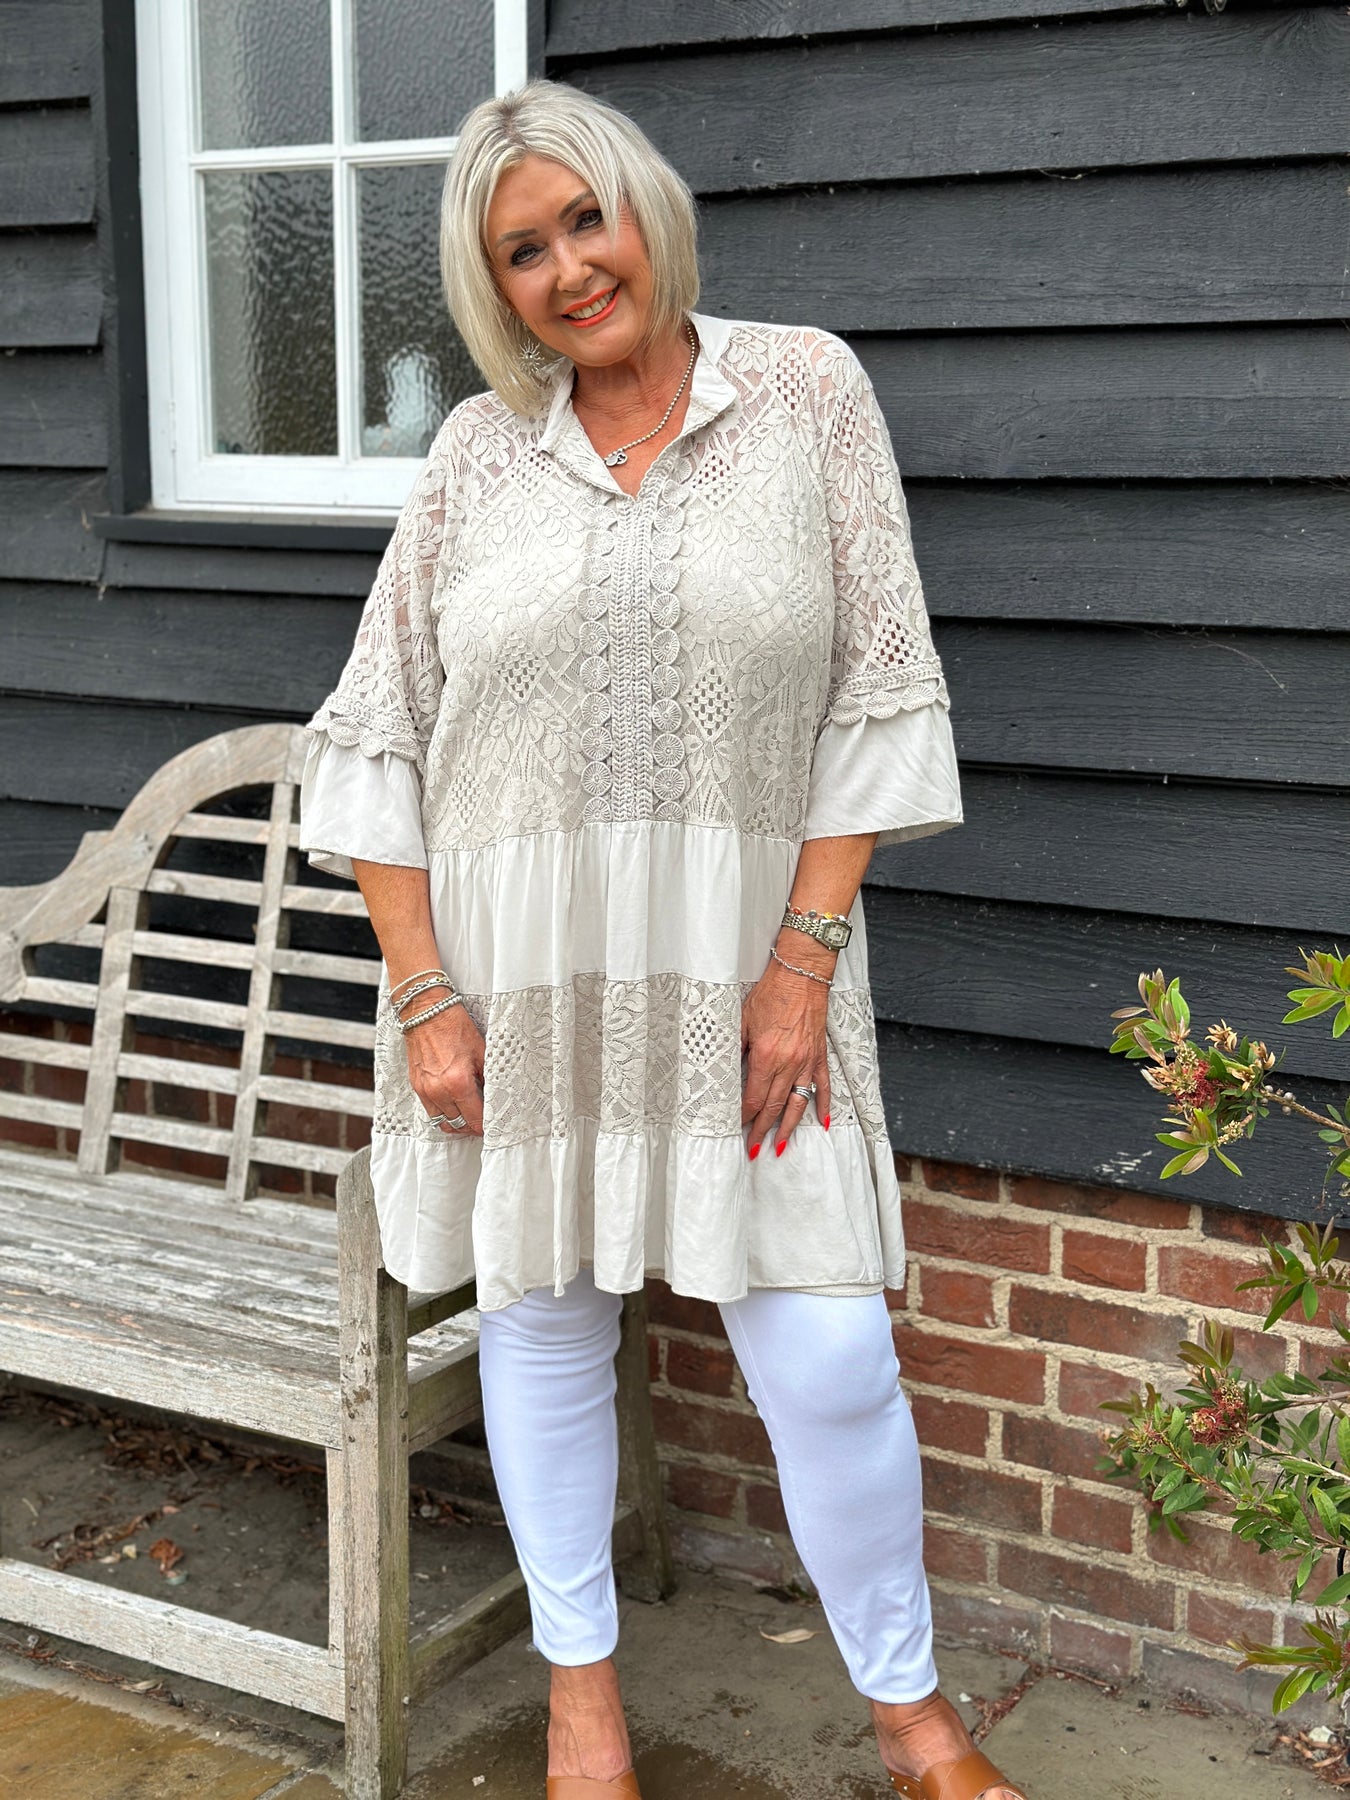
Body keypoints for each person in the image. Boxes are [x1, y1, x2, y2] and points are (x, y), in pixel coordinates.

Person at [298, 76, 1026, 1800]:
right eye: (521, 252)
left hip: (753, 971)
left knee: (827, 1352)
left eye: (585, 221)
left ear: (647, 213)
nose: (567, 270)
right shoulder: (476, 455)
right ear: (493, 287)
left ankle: (912, 1719)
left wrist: (803, 962)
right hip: (514, 976)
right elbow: (378, 729)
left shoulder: (806, 392)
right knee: (545, 1322)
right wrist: (422, 994)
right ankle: (582, 1707)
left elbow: (878, 690)